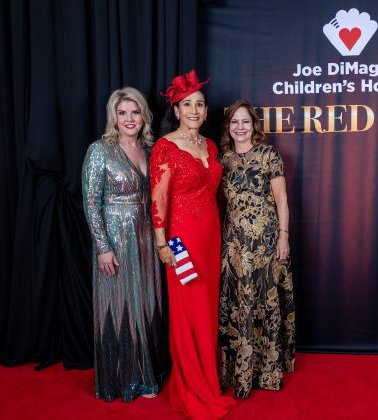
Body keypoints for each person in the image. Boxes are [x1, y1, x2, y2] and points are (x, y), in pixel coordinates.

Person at [150, 71, 235, 417]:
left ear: (206, 110)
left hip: (210, 236)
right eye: (187, 104)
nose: (195, 110)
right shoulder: (165, 146)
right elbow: (158, 199)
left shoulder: (210, 146)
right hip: (181, 240)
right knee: (188, 312)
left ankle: (208, 380)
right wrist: (162, 244)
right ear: (176, 109)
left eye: (200, 104)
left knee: (207, 311)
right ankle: (192, 386)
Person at [82, 87, 166, 402]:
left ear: (144, 116)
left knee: (146, 303)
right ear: (114, 117)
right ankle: (123, 380)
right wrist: (103, 247)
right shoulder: (100, 150)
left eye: (135, 112)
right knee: (120, 306)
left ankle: (148, 374)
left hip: (147, 239)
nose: (129, 119)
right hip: (115, 241)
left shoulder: (152, 149)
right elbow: (91, 202)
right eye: (122, 113)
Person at [218, 100, 296, 399]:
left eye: (245, 122)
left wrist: (283, 237)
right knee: (238, 302)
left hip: (264, 242)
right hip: (234, 243)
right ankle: (235, 370)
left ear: (254, 126)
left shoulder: (268, 155)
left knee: (263, 302)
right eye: (234, 122)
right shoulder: (223, 159)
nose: (240, 127)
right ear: (228, 127)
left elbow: (281, 199)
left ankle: (265, 370)